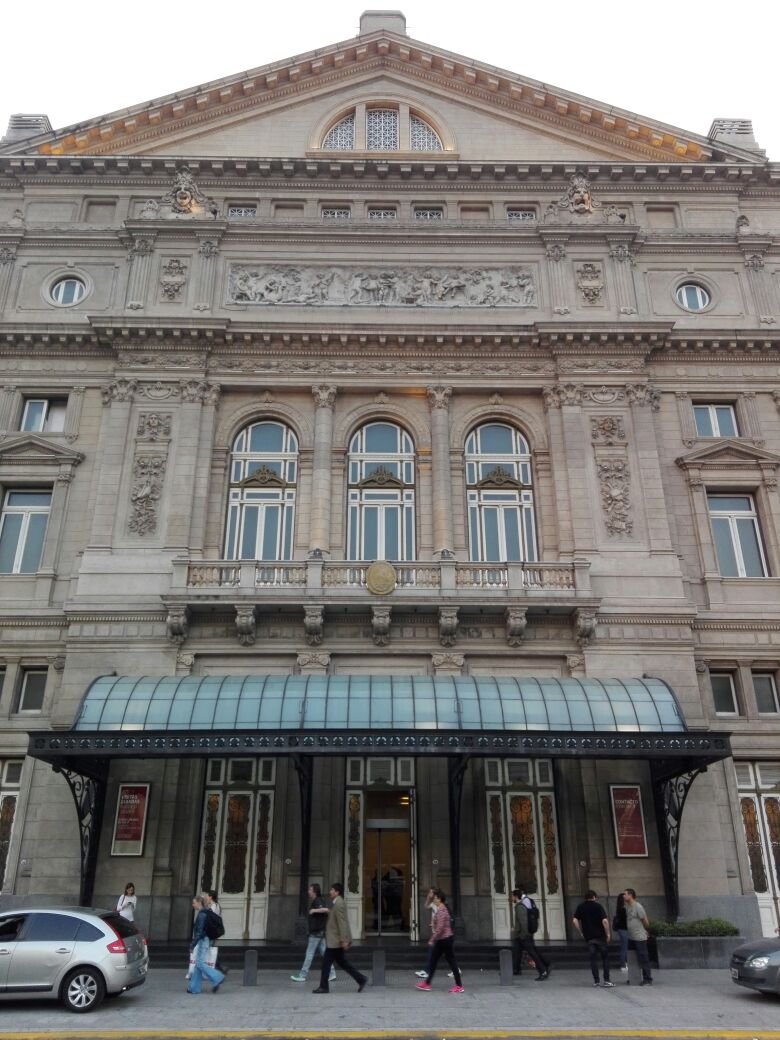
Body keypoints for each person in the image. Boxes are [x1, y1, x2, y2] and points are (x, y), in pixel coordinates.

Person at [312, 883, 367, 995]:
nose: (330, 892)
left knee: (326, 964)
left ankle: (324, 987)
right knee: (343, 963)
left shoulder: (339, 904)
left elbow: (342, 923)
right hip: (335, 940)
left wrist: (344, 940)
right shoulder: (336, 902)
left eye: (332, 890)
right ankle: (361, 979)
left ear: (337, 892)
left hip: (335, 941)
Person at [415, 889, 464, 994]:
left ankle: (459, 986)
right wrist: (434, 924)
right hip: (442, 939)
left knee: (452, 962)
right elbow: (440, 924)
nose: (434, 900)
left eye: (436, 898)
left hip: (445, 940)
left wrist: (432, 939)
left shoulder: (442, 910)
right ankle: (427, 983)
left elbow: (440, 928)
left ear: (440, 899)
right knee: (434, 961)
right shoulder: (440, 908)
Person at [291, 883, 337, 984]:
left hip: (316, 932)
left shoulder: (318, 900)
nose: (308, 891)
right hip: (320, 932)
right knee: (325, 954)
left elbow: (327, 910)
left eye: (310, 890)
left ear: (314, 892)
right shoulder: (318, 900)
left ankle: (302, 975)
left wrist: (313, 910)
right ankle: (332, 973)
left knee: (309, 954)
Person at [572, 889, 613, 987]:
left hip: (589, 937)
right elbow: (605, 921)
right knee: (605, 958)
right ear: (594, 897)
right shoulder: (598, 906)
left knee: (593, 959)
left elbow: (574, 920)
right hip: (600, 937)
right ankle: (606, 980)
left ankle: (596, 981)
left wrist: (581, 932)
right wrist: (608, 934)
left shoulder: (581, 906)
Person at [187, 895, 226, 995]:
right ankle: (193, 988)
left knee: (200, 964)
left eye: (193, 903)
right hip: (205, 940)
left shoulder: (202, 915)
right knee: (198, 964)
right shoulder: (205, 912)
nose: (193, 905)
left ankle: (218, 977)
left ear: (199, 902)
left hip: (202, 940)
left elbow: (199, 932)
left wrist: (192, 945)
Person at [511, 887, 550, 981]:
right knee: (517, 951)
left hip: (524, 935)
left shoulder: (520, 907)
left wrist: (523, 934)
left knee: (532, 953)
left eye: (512, 896)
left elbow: (523, 922)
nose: (511, 898)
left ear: (515, 896)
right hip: (520, 935)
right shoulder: (521, 904)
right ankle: (516, 969)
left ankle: (543, 971)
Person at [623, 888, 653, 985]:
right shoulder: (627, 906)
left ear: (630, 895)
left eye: (625, 894)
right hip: (631, 936)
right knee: (631, 957)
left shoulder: (638, 906)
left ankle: (647, 978)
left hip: (639, 936)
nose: (623, 896)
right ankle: (633, 977)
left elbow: (644, 920)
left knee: (643, 957)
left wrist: (646, 930)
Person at [202, 889, 227, 976]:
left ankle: (220, 967)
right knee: (210, 949)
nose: (206, 898)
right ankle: (219, 967)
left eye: (207, 896)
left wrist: (205, 906)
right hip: (213, 931)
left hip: (210, 932)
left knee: (209, 950)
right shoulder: (216, 905)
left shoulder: (213, 906)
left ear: (211, 897)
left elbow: (209, 918)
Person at [415, 888, 437, 980]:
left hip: (438, 933)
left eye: (430, 892)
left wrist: (434, 924)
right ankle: (456, 969)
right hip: (436, 932)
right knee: (447, 954)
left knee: (431, 952)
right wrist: (428, 897)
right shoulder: (433, 903)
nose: (429, 893)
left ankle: (426, 971)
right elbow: (426, 906)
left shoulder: (439, 905)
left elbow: (441, 917)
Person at [613, 892, 629, 973]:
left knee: (624, 946)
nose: (626, 898)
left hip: (622, 929)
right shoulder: (622, 909)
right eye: (624, 897)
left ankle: (625, 963)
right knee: (624, 947)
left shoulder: (620, 908)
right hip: (623, 929)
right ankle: (623, 965)